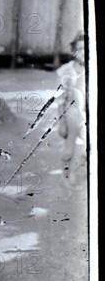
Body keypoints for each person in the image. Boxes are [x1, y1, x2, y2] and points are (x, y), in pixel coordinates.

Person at [56, 32, 86, 186]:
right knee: (69, 149)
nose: (84, 52)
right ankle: (66, 175)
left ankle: (81, 173)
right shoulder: (67, 71)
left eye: (87, 48)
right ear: (74, 51)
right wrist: (62, 123)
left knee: (88, 146)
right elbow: (61, 101)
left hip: (87, 116)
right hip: (72, 114)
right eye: (80, 49)